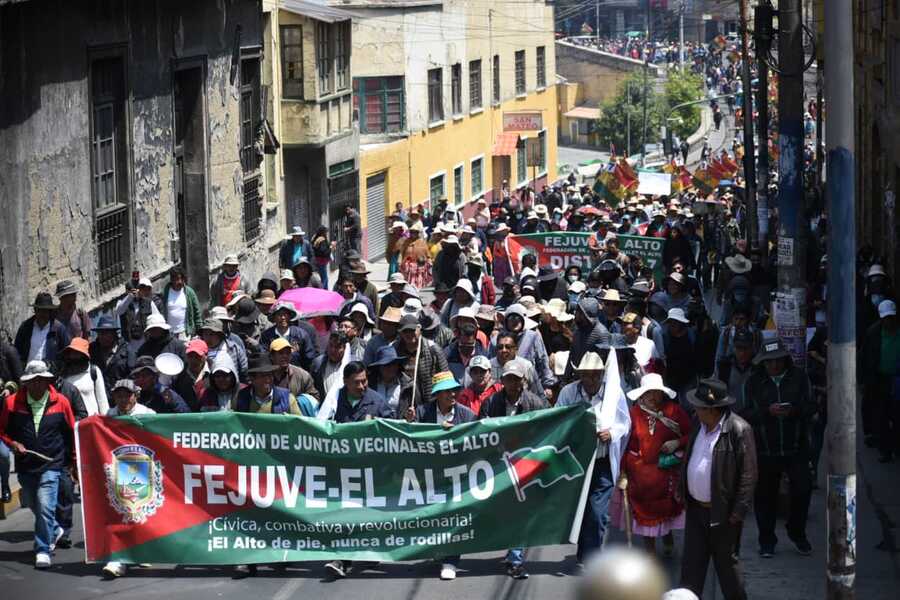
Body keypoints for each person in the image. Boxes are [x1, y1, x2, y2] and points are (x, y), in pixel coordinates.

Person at [680, 378, 757, 600]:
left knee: (728, 572)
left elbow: (749, 475)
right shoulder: (698, 424)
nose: (694, 409)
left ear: (712, 410)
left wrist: (737, 513)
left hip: (723, 516)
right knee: (691, 570)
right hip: (696, 511)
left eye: (699, 406)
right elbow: (689, 458)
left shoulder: (739, 429)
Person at [742, 340, 815, 557]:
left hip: (796, 448)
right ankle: (767, 540)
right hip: (765, 450)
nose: (773, 366)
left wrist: (793, 411)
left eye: (777, 361)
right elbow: (744, 413)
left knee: (803, 490)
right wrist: (767, 412)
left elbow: (812, 406)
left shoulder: (800, 378)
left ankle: (797, 532)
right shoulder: (753, 382)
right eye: (768, 362)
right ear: (762, 363)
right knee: (765, 497)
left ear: (785, 359)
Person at [557, 352, 631, 567]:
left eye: (594, 375)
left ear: (601, 375)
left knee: (597, 512)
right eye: (585, 375)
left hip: (602, 461)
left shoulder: (613, 394)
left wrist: (612, 433)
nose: (590, 380)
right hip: (577, 462)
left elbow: (624, 423)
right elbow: (559, 419)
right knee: (581, 510)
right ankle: (585, 551)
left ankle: (592, 557)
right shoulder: (569, 392)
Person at [0, 361, 76, 569]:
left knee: (45, 504)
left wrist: (72, 462)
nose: (36, 385)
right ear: (26, 383)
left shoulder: (61, 402)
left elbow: (70, 432)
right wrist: (13, 443)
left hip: (52, 463)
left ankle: (42, 548)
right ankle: (53, 530)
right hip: (26, 465)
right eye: (32, 381)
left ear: (47, 381)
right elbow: (2, 432)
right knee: (32, 502)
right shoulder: (12, 404)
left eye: (41, 380)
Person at [478, 360, 549, 579]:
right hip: (497, 465)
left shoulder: (536, 403)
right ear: (502, 381)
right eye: (508, 378)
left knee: (520, 510)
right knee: (502, 511)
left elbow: (547, 427)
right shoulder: (491, 403)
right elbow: (479, 429)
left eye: (516, 379)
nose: (512, 383)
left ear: (523, 381)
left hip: (524, 464)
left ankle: (516, 558)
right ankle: (510, 550)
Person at [323, 361, 393, 578]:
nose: (362, 386)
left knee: (368, 514)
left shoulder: (376, 401)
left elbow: (391, 428)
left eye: (364, 381)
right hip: (343, 469)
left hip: (371, 470)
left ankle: (370, 548)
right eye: (357, 383)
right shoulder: (334, 400)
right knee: (345, 514)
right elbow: (320, 425)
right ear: (345, 382)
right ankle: (342, 559)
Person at [403, 371, 476, 580]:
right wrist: (408, 422)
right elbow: (407, 440)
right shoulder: (422, 412)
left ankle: (450, 561)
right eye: (446, 391)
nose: (452, 394)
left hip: (456, 476)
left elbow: (475, 445)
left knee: (452, 516)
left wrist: (454, 436)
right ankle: (438, 551)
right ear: (437, 395)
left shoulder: (467, 416)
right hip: (428, 477)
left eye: (453, 390)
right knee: (432, 518)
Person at [616, 374, 691, 556]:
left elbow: (692, 434)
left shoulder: (674, 411)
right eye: (648, 393)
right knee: (644, 518)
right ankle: (650, 554)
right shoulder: (632, 414)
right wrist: (623, 472)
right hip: (639, 479)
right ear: (642, 395)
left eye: (656, 392)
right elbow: (623, 445)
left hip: (665, 475)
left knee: (666, 513)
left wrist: (677, 443)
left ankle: (667, 538)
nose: (652, 397)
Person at [861, 299, 900, 456]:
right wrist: (864, 380)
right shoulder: (873, 333)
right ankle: (884, 449)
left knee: (896, 414)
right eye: (886, 318)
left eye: (891, 318)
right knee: (881, 415)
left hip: (897, 380)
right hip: (879, 379)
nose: (888, 321)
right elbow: (864, 357)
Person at [392, 314, 449, 407]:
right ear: (400, 333)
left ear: (419, 329)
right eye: (405, 331)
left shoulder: (433, 349)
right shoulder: (394, 350)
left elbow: (445, 378)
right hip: (402, 402)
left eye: (412, 330)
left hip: (428, 404)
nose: (409, 334)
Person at [233, 356, 314, 416]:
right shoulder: (241, 398)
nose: (268, 380)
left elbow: (299, 426)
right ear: (252, 378)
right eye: (263, 376)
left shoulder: (287, 399)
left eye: (270, 375)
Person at [14, 292, 72, 367]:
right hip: (27, 374)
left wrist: (54, 366)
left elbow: (66, 354)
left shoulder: (59, 329)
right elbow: (17, 352)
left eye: (46, 311)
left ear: (50, 312)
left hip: (50, 375)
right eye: (40, 310)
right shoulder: (25, 327)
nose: (43, 314)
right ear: (35, 310)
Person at [259, 301, 317, 371]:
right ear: (274, 317)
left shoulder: (301, 335)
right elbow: (264, 356)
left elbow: (309, 358)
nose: (283, 317)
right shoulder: (266, 336)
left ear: (290, 317)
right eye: (279, 315)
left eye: (285, 314)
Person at [60, 338, 108, 417]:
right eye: (72, 352)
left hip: (92, 422)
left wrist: (105, 422)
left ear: (84, 355)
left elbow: (102, 400)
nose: (74, 355)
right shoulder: (63, 374)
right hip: (71, 423)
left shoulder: (93, 371)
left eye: (77, 353)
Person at [270, 338, 319, 404]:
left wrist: (298, 403)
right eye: (281, 353)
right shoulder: (264, 375)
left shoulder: (303, 375)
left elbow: (315, 399)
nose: (285, 356)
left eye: (288, 353)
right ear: (272, 356)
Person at [367, 345, 411, 417]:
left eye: (393, 364)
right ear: (379, 367)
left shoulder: (408, 385)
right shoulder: (370, 385)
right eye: (386, 365)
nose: (391, 368)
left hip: (398, 426)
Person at [160, 266, 203, 339]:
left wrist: (200, 332)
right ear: (172, 279)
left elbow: (197, 313)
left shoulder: (189, 293)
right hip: (168, 333)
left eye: (181, 279)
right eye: (176, 279)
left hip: (184, 334)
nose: (179, 282)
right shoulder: (165, 292)